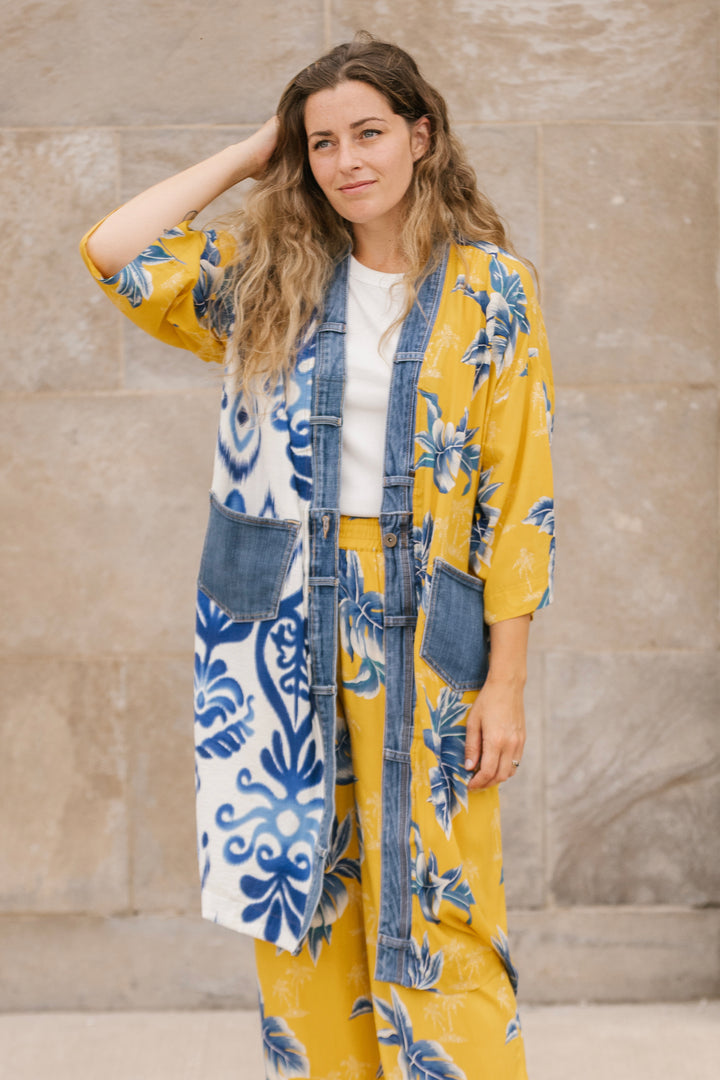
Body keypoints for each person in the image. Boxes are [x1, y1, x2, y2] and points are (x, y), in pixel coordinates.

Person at [81, 32, 554, 1080]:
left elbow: (520, 504)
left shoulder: (495, 294)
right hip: (275, 625)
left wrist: (507, 685)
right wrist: (256, 150)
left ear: (422, 136)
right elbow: (113, 249)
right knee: (299, 903)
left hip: (429, 627)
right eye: (323, 141)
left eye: (370, 133)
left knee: (441, 900)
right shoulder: (270, 282)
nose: (348, 160)